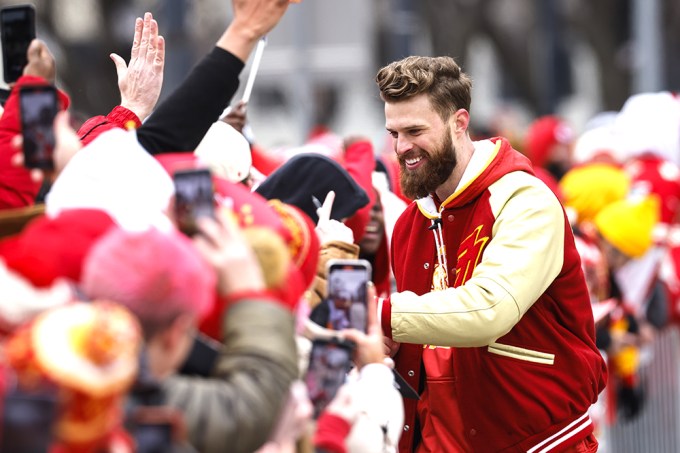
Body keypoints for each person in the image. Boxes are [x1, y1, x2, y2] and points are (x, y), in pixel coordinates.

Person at [374, 56, 607, 452]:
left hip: (539, 443)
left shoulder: (525, 200)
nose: (402, 148)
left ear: (459, 123)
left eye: (415, 131)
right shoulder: (409, 224)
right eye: (393, 133)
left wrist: (380, 316)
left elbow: (490, 309)